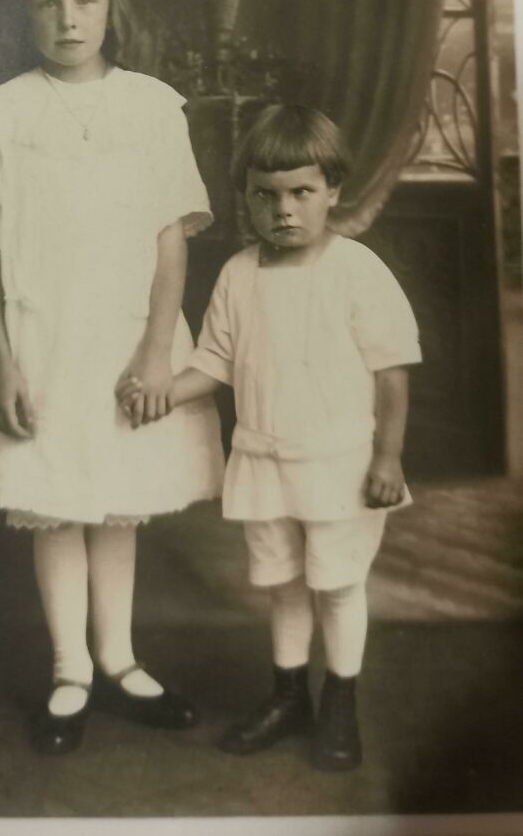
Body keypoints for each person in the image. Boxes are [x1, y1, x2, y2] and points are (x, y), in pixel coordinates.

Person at [0, 0, 224, 756]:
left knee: (116, 502)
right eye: (49, 4)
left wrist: (155, 352)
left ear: (111, 6)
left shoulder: (152, 107)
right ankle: (70, 670)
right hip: (41, 340)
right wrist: (4, 362)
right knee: (55, 501)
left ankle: (120, 658)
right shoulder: (2, 114)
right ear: (27, 11)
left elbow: (170, 240)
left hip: (126, 338)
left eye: (85, 1)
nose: (68, 20)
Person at [118, 102, 421, 771]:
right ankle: (289, 697)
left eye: (300, 192)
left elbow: (393, 372)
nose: (283, 210)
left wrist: (388, 458)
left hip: (340, 465)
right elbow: (215, 363)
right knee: (283, 585)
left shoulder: (357, 271)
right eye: (265, 195)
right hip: (262, 460)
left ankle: (339, 702)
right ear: (247, 199)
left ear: (332, 190)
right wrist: (162, 391)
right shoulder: (239, 275)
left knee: (337, 584)